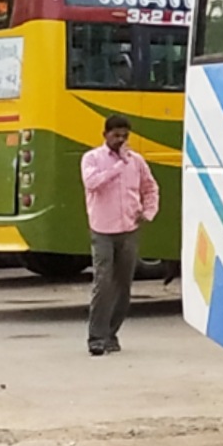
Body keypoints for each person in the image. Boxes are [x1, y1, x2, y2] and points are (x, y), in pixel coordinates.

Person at [80, 115, 161, 356]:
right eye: (116, 135)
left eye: (124, 135)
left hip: (129, 229)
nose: (120, 140)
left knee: (123, 285)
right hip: (102, 229)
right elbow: (92, 183)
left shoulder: (136, 161)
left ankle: (111, 334)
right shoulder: (92, 158)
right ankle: (95, 336)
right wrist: (118, 166)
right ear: (105, 134)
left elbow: (150, 187)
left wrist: (149, 211)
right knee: (103, 282)